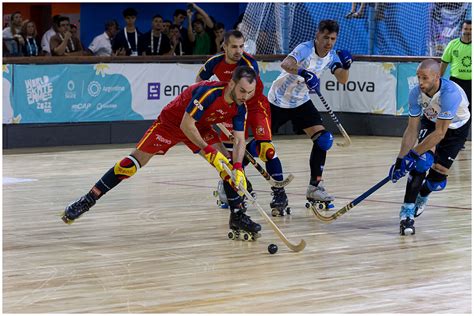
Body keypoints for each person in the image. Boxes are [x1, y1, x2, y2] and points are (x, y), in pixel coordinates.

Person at [62, 66, 262, 240]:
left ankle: (237, 216)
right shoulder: (209, 94)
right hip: (173, 123)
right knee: (130, 165)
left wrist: (236, 167)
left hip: (200, 126)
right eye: (242, 90)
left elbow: (240, 140)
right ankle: (88, 199)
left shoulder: (240, 107)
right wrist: (209, 151)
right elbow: (186, 124)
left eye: (250, 93)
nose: (245, 96)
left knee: (227, 166)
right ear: (231, 84)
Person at [197, 30, 290, 216]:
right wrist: (209, 105)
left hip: (254, 106)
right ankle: (241, 185)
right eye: (234, 46)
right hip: (232, 108)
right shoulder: (214, 62)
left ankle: (280, 194)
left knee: (266, 150)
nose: (239, 51)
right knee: (230, 157)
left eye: (241, 46)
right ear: (224, 46)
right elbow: (199, 83)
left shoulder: (248, 64)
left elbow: (248, 93)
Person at [267, 19, 352, 209]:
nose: (328, 42)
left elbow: (343, 79)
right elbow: (286, 63)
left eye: (332, 38)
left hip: (301, 102)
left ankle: (315, 187)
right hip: (277, 101)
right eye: (325, 37)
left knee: (324, 140)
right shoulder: (305, 48)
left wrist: (346, 66)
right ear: (317, 35)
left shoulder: (331, 56)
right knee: (260, 144)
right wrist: (303, 72)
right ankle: (238, 182)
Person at [389, 59, 470, 236]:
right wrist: (401, 159)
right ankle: (407, 212)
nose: (420, 82)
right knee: (421, 162)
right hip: (432, 122)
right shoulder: (415, 93)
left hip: (456, 128)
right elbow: (411, 129)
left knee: (436, 182)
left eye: (425, 78)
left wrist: (413, 153)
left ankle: (423, 194)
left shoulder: (450, 94)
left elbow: (441, 133)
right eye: (418, 77)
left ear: (437, 76)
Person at [440, 20, 471, 108]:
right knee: (455, 107)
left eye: (470, 29)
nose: (468, 31)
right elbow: (444, 64)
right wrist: (439, 80)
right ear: (461, 29)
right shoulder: (452, 44)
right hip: (456, 82)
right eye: (466, 29)